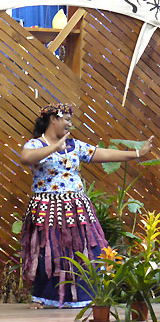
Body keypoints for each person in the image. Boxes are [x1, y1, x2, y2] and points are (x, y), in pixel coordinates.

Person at [19, 103, 153, 308]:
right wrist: (54, 147)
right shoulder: (36, 145)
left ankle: (84, 297)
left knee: (85, 251)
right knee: (49, 251)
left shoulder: (75, 145)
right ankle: (43, 298)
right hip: (47, 208)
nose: (69, 124)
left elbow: (103, 154)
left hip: (77, 209)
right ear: (53, 119)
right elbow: (25, 158)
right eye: (65, 119)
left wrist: (136, 154)